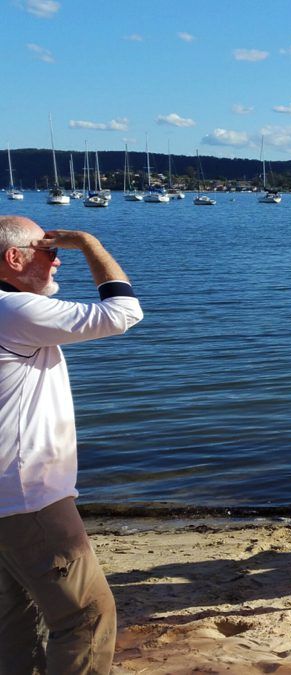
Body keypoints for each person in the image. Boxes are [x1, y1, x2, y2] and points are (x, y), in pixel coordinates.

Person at [0, 217, 143, 674]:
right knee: (85, 617)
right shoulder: (15, 311)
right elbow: (123, 313)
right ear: (13, 258)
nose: (57, 258)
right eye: (48, 250)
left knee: (13, 621)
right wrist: (90, 244)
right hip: (27, 498)